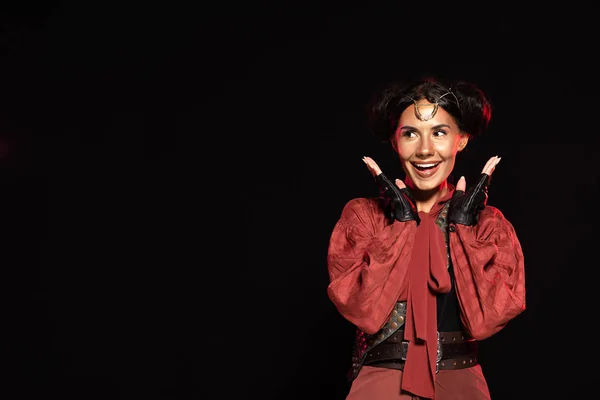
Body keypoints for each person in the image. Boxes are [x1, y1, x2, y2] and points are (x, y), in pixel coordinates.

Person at [326, 76, 526, 399]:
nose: (424, 149)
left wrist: (463, 232)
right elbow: (365, 312)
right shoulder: (363, 218)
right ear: (394, 141)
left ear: (461, 139)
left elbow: (485, 321)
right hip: (381, 381)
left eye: (439, 133)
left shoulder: (487, 226)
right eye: (410, 134)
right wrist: (402, 226)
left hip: (460, 382)